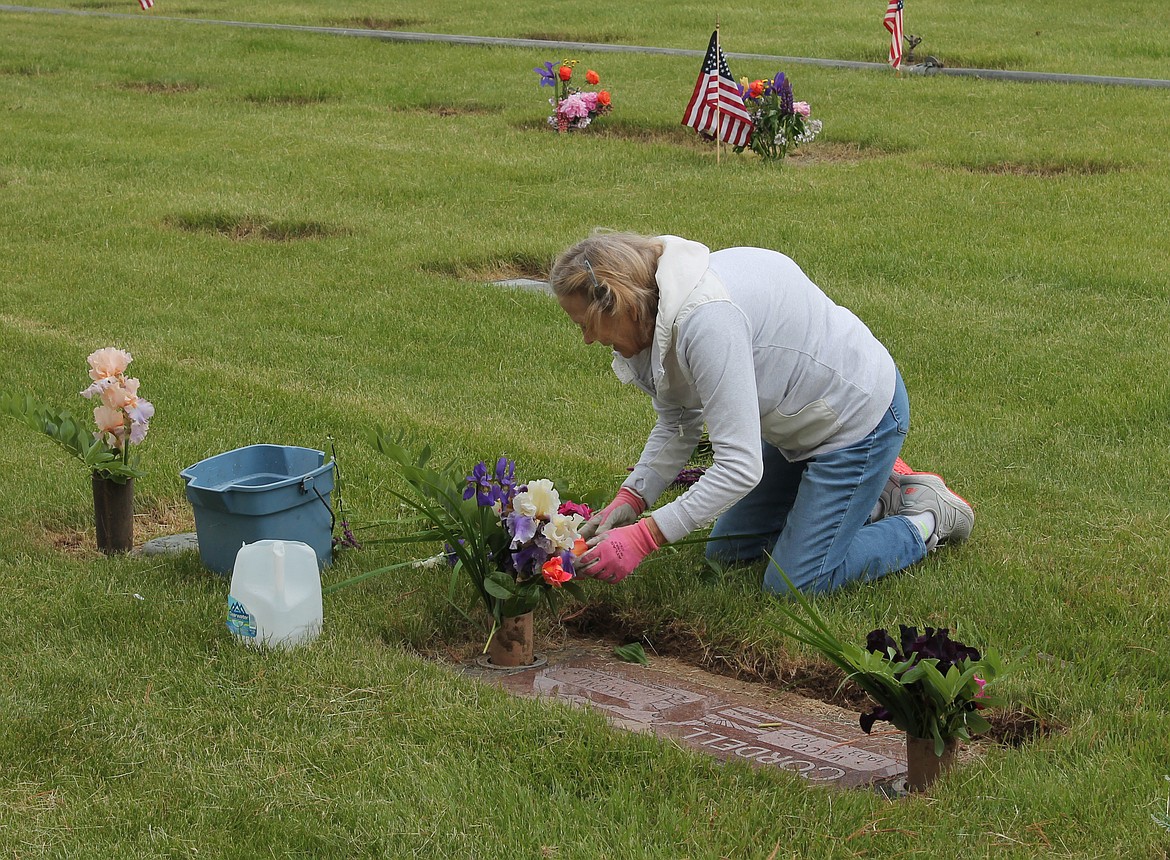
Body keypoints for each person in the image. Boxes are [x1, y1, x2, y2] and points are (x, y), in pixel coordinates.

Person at [550, 231, 973, 595]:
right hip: (798, 423)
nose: (587, 339)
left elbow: (739, 467)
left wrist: (646, 536)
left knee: (794, 583)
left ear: (619, 302)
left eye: (585, 323)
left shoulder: (707, 322)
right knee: (729, 550)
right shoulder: (656, 315)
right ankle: (871, 496)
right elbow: (679, 422)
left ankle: (925, 517)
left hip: (856, 420)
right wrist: (632, 498)